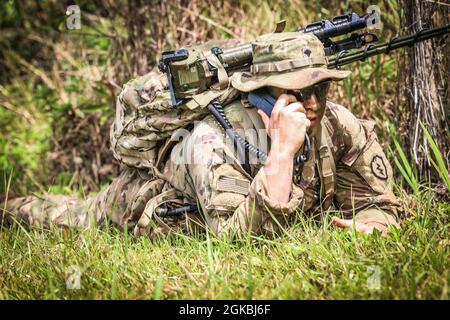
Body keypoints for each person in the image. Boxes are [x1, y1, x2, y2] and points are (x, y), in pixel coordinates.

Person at [1, 32, 402, 239]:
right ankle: (10, 206)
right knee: (69, 217)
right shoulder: (216, 140)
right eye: (296, 91)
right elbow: (236, 242)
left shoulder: (337, 123)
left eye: (320, 88)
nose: (312, 102)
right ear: (260, 94)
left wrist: (373, 223)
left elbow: (382, 201)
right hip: (145, 197)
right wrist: (281, 151)